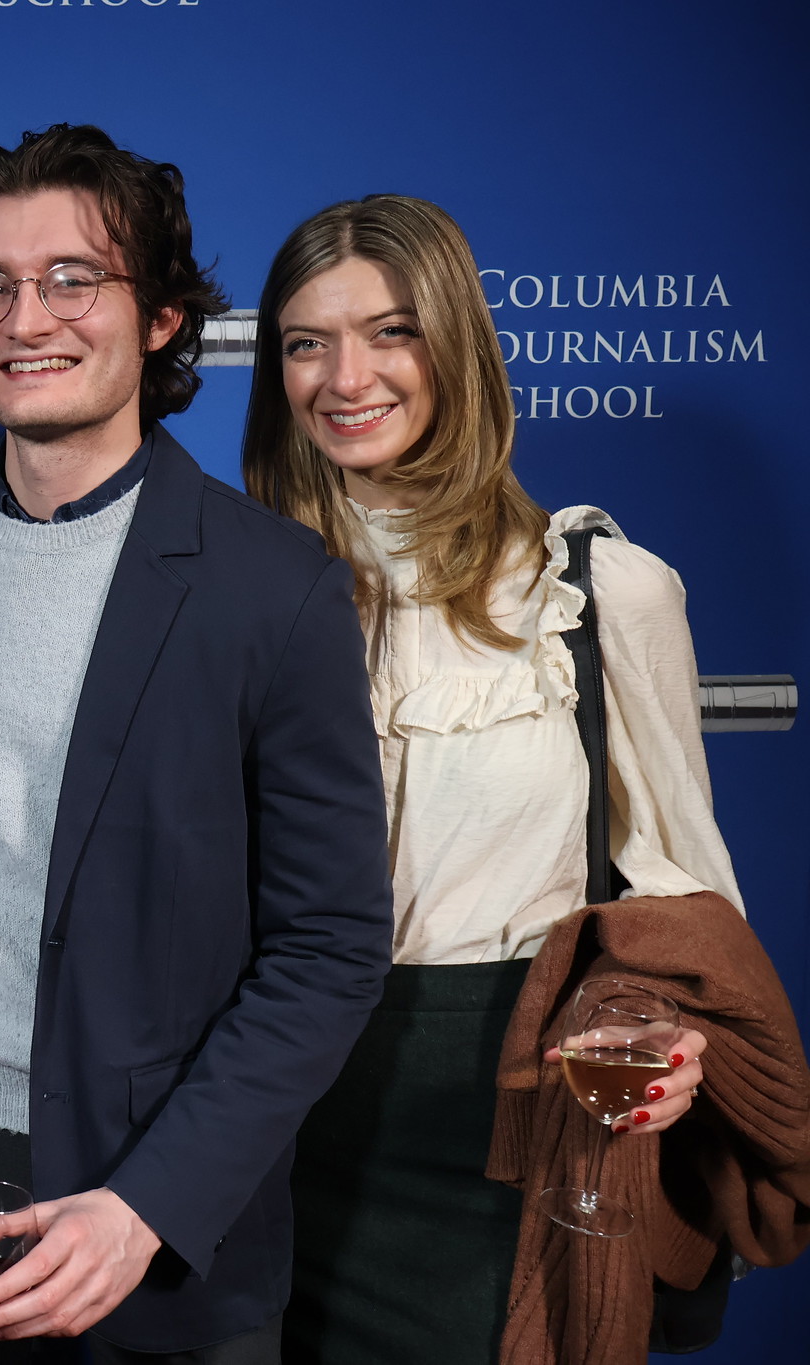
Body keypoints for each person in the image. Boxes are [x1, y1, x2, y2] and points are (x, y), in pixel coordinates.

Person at [0, 124, 395, 1364]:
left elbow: (329, 948)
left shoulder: (269, 587)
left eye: (74, 278)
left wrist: (147, 1205)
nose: (27, 317)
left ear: (163, 318)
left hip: (151, 1164)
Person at [238, 193, 739, 1365]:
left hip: (510, 1119)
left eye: (390, 331)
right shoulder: (223, 588)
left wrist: (667, 1043)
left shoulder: (603, 593)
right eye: (305, 342)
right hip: (267, 1119)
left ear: (456, 342)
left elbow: (680, 906)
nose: (343, 376)